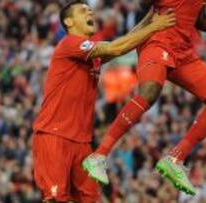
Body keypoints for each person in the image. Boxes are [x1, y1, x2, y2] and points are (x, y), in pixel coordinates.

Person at [82, 0, 206, 196]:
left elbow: (199, 16)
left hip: (183, 52)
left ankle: (175, 159)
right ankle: (99, 155)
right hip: (158, 41)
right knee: (149, 93)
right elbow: (143, 3)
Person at [31, 0, 176, 202]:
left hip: (82, 141)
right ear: (69, 22)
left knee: (90, 198)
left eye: (90, 10)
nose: (90, 12)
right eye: (83, 11)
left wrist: (150, 17)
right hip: (54, 134)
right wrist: (155, 26)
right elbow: (116, 48)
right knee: (56, 199)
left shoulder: (91, 55)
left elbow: (123, 43)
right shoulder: (69, 44)